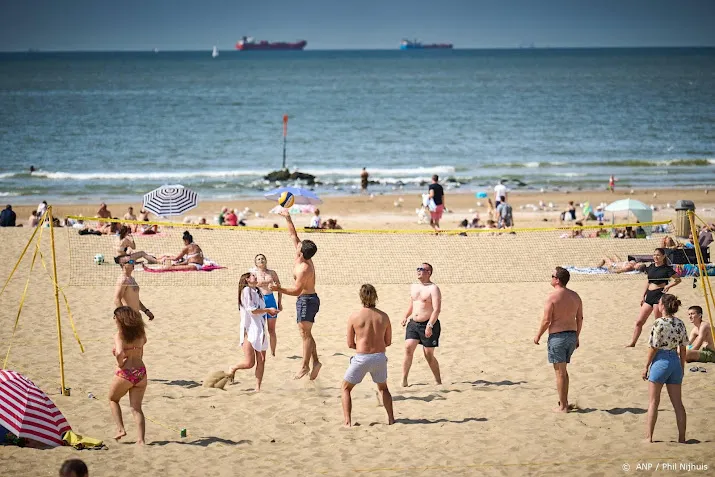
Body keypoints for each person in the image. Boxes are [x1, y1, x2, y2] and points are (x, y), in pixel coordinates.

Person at [269, 210, 322, 380]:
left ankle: (305, 366)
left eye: (300, 245)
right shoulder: (301, 255)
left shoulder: (303, 269)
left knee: (305, 334)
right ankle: (316, 361)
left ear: (301, 251)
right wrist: (287, 217)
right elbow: (293, 235)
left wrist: (278, 289)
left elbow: (296, 291)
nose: (297, 243)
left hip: (307, 300)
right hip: (305, 300)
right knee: (306, 333)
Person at [342, 284, 395, 427]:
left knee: (346, 388)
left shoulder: (354, 316)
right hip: (379, 357)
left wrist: (359, 346)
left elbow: (349, 343)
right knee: (383, 388)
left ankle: (347, 421)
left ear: (361, 297)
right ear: (375, 296)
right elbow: (388, 342)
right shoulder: (384, 316)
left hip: (362, 357)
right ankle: (391, 418)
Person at [533, 267, 583, 413]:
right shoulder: (575, 296)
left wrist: (538, 335)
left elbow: (547, 320)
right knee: (564, 371)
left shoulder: (552, 297)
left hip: (558, 337)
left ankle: (562, 407)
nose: (551, 277)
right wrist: (577, 336)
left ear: (557, 279)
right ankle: (564, 402)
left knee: (560, 373)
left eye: (552, 275)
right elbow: (579, 318)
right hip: (572, 335)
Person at [642, 294, 687, 443]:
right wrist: (681, 366)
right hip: (675, 360)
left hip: (661, 360)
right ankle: (682, 437)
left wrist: (645, 366)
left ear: (662, 306)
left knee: (653, 402)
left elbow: (653, 347)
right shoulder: (680, 323)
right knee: (678, 404)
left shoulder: (658, 323)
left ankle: (649, 437)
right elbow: (683, 348)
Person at [227, 272, 277, 391]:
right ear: (247, 279)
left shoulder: (258, 291)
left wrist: (272, 311)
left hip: (260, 328)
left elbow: (261, 310)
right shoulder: (246, 291)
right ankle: (233, 368)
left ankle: (257, 387)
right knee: (249, 363)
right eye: (253, 276)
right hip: (249, 329)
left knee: (262, 360)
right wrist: (268, 310)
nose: (255, 276)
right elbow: (252, 310)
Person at [109, 306, 148, 445]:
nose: (114, 320)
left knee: (113, 399)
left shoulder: (119, 335)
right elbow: (142, 347)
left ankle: (120, 429)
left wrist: (119, 363)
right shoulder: (141, 334)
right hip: (141, 372)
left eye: (115, 317)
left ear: (121, 319)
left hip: (126, 372)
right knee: (136, 408)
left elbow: (119, 353)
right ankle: (141, 440)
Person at [627, 248, 681, 347]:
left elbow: (678, 279)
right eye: (654, 255)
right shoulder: (651, 267)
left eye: (658, 255)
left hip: (659, 296)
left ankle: (659, 343)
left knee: (658, 322)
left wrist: (668, 286)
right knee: (639, 321)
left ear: (663, 256)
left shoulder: (667, 269)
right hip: (649, 296)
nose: (655, 257)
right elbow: (648, 281)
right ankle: (633, 343)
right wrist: (643, 295)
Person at [401, 263, 442, 387]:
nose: (418, 271)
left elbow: (436, 309)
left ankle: (438, 380)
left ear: (429, 272)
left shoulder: (433, 288)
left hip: (429, 324)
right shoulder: (414, 286)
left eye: (421, 269)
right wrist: (405, 316)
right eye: (417, 269)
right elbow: (412, 304)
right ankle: (404, 379)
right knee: (408, 348)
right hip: (413, 323)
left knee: (428, 354)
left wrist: (430, 325)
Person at [253, 254, 282, 356]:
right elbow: (250, 288)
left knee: (271, 329)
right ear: (256, 263)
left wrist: (279, 302)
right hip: (260, 301)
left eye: (262, 258)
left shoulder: (272, 273)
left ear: (266, 260)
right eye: (259, 259)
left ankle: (273, 352)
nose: (261, 260)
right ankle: (261, 351)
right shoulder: (254, 274)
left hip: (271, 299)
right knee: (261, 328)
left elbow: (279, 287)